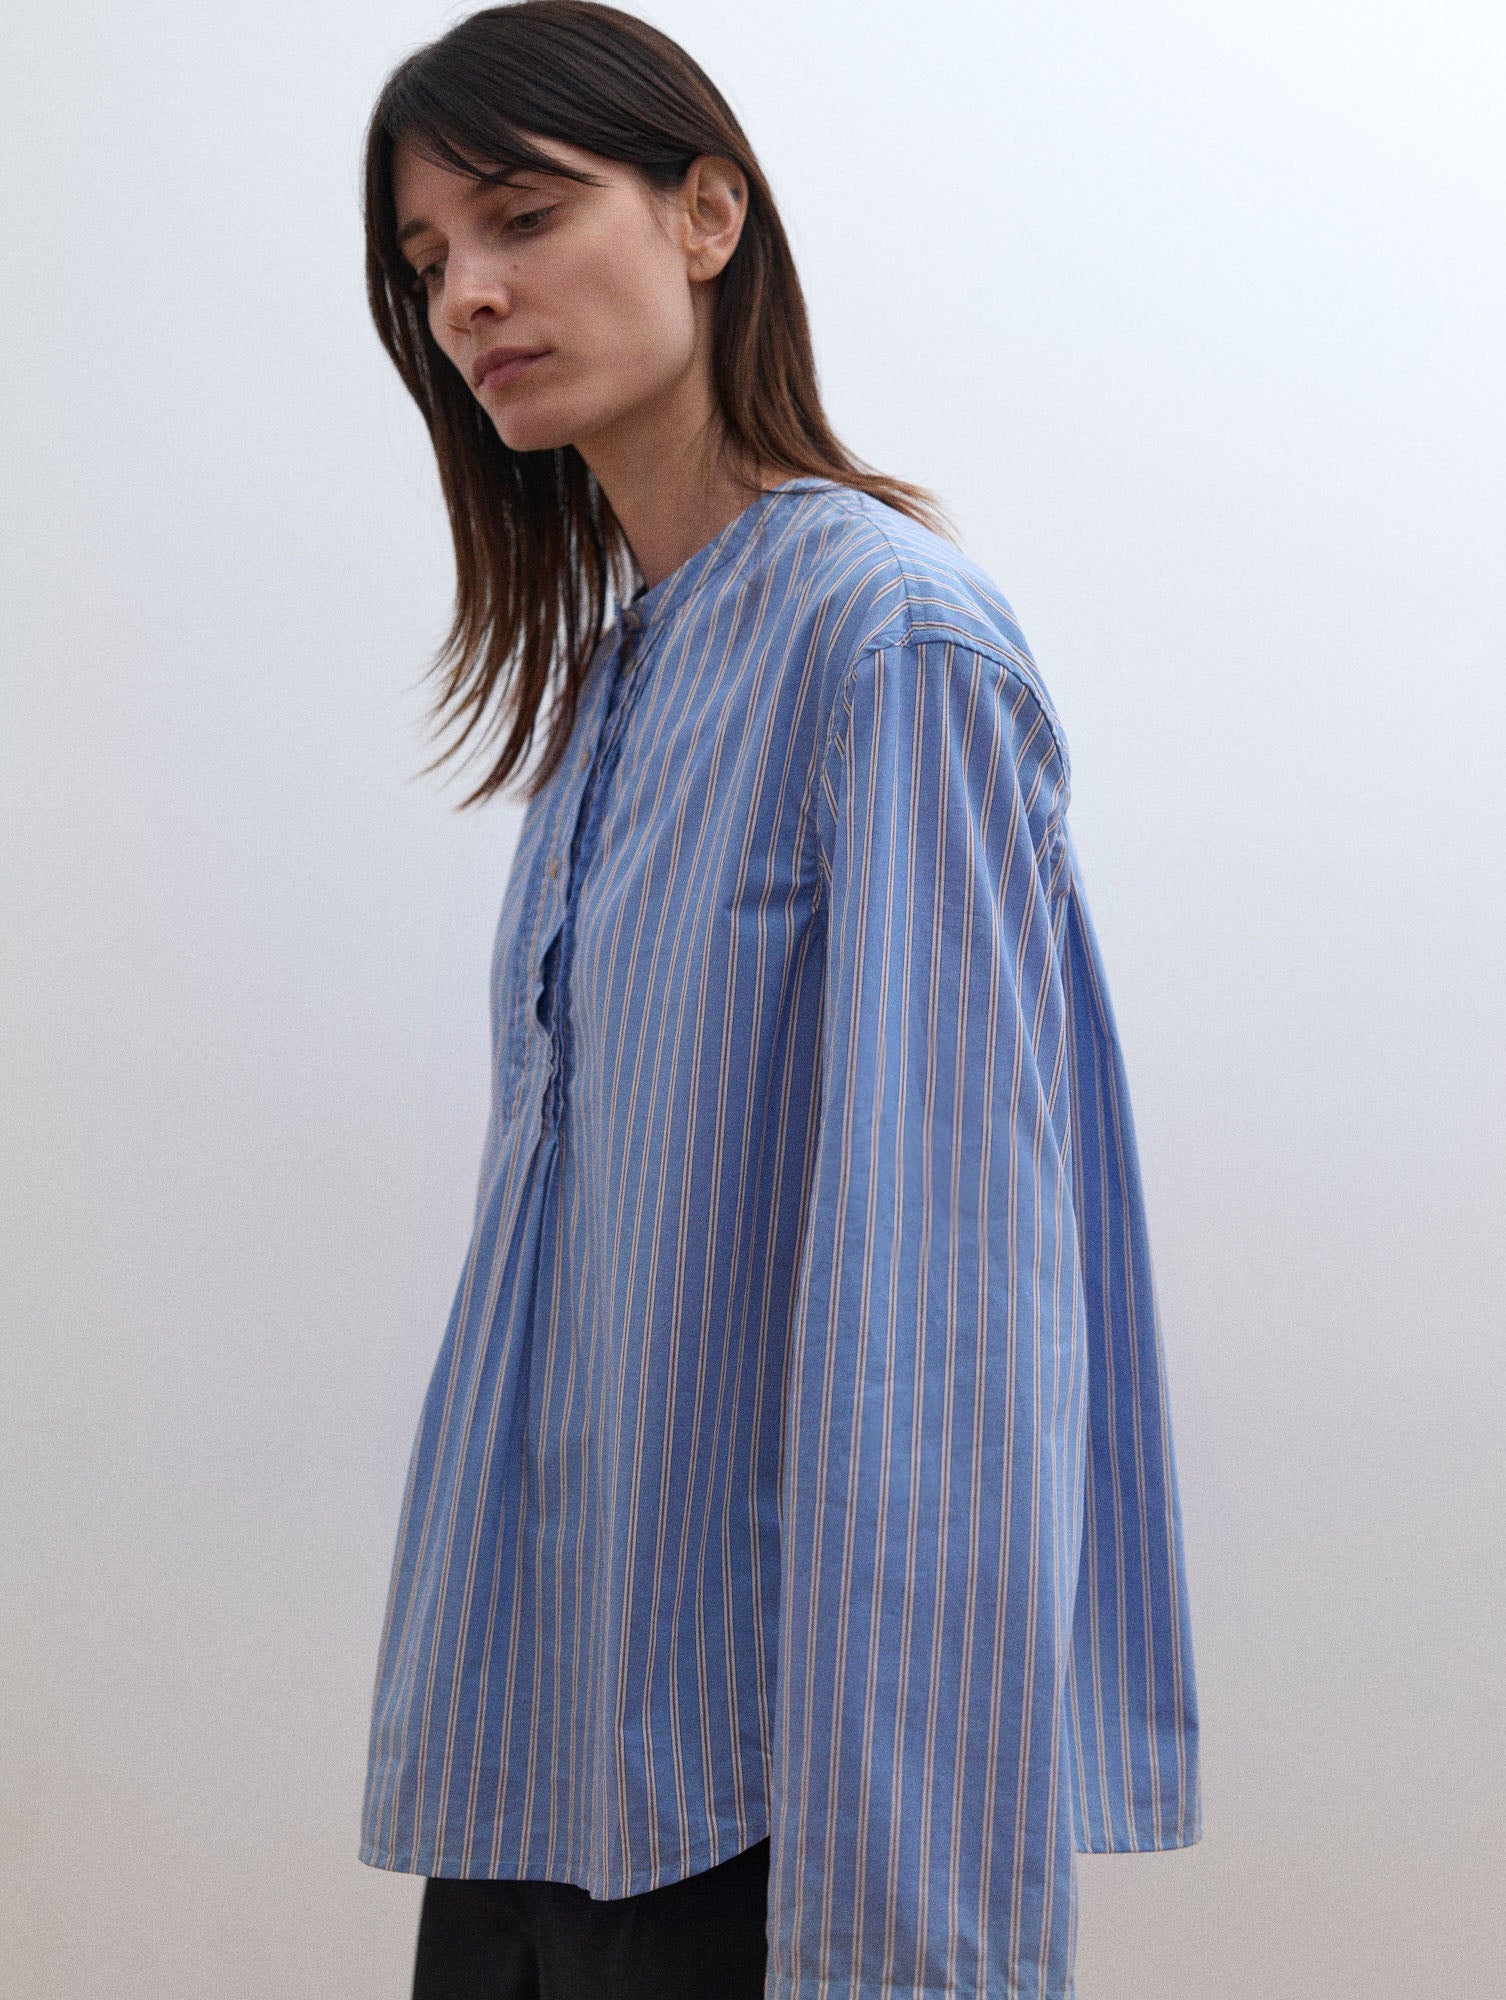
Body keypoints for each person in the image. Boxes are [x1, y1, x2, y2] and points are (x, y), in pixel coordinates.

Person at [355, 5, 1202, 1995]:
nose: (470, 291)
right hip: (536, 1753)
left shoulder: (886, 644)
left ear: (707, 211)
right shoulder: (621, 677)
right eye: (424, 260)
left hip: (765, 1807)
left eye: (522, 214)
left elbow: (945, 1324)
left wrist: (899, 1921)